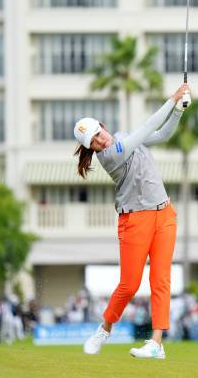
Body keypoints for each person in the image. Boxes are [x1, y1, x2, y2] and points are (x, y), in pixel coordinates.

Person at [75, 83, 190, 359]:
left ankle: (157, 343)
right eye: (93, 142)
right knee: (129, 284)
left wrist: (178, 112)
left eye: (98, 134)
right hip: (135, 220)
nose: (99, 141)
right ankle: (104, 329)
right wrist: (172, 98)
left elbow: (161, 134)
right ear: (91, 148)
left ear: (103, 126)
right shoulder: (111, 155)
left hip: (164, 214)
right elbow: (148, 127)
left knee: (161, 280)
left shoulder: (124, 137)